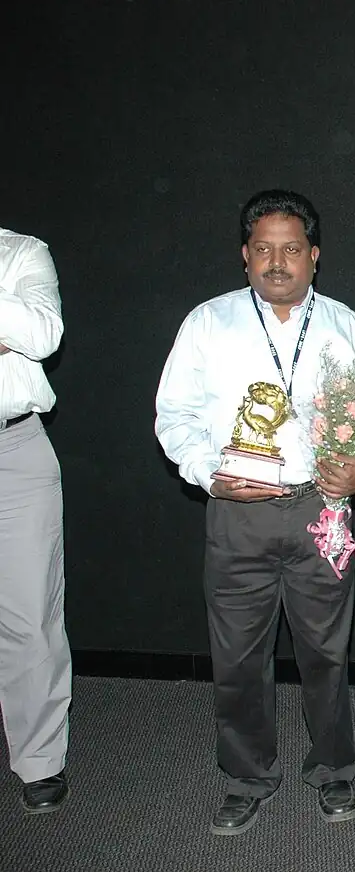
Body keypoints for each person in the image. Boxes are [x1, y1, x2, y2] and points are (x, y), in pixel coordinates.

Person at [155, 190, 355, 835]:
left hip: (322, 510)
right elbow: (174, 416)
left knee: (327, 654)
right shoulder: (208, 322)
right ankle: (246, 777)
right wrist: (210, 475)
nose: (276, 262)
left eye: (291, 249)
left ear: (314, 256)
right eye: (263, 249)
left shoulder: (345, 325)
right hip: (238, 515)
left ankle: (334, 768)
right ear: (245, 256)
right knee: (236, 658)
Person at [0, 227, 71, 815]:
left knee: (29, 617)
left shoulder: (22, 253)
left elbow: (42, 335)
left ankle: (40, 761)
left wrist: (14, 336)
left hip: (14, 454)